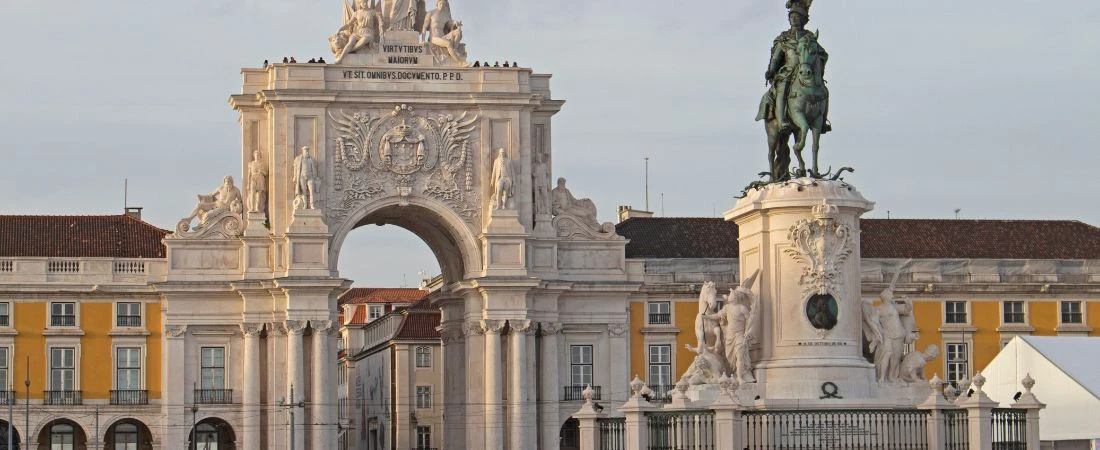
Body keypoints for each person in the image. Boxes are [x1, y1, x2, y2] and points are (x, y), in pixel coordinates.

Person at [757, 1, 828, 130]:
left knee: (823, 91)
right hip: (788, 72)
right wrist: (771, 70)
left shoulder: (809, 37)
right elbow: (776, 58)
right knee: (782, 89)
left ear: (803, 19)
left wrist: (819, 61)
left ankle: (822, 121)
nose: (794, 19)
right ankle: (781, 120)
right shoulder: (784, 38)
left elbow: (822, 53)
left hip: (806, 73)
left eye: (797, 17)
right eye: (792, 17)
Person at [703, 270, 760, 383]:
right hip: (729, 336)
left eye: (732, 294)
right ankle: (735, 373)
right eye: (730, 294)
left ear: (736, 297)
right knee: (730, 358)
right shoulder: (727, 308)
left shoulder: (742, 308)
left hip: (739, 335)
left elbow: (750, 321)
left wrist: (747, 332)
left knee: (740, 356)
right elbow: (718, 316)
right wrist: (707, 317)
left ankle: (740, 377)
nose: (730, 295)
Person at [247, 151, 267, 215]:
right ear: (254, 155)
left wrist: (261, 171)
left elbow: (265, 173)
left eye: (258, 155)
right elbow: (249, 174)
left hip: (260, 178)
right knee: (252, 193)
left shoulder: (262, 164)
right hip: (253, 178)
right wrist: (248, 183)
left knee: (259, 194)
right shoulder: (250, 164)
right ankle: (252, 208)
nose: (257, 156)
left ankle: (257, 208)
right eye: (256, 154)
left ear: (260, 156)